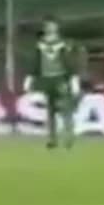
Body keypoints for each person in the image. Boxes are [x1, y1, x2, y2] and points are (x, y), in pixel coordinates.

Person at [23, 16, 82, 149]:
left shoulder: (63, 43)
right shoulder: (40, 44)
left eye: (53, 25)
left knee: (65, 108)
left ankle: (68, 136)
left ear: (57, 27)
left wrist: (73, 78)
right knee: (50, 111)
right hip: (47, 79)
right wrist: (30, 77)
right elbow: (35, 62)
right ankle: (52, 139)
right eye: (48, 25)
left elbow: (69, 61)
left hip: (60, 78)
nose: (50, 28)